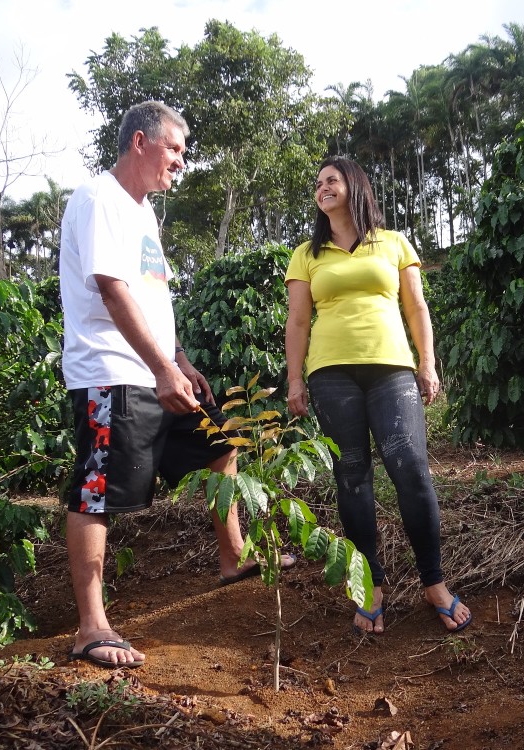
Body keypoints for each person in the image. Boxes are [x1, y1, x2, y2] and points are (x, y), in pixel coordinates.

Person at [59, 100, 293, 669]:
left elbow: (151, 299)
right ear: (140, 142)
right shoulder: (98, 200)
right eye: (175, 150)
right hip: (110, 376)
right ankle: (91, 627)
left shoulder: (144, 214)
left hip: (156, 371)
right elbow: (112, 292)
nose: (181, 164)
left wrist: (180, 359)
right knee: (97, 492)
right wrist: (161, 368)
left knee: (220, 444)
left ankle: (233, 555)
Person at [284, 155, 472, 635]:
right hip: (330, 374)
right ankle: (371, 585)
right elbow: (299, 321)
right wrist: (295, 379)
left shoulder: (393, 242)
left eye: (331, 179)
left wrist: (427, 364)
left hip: (392, 369)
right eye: (317, 183)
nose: (322, 187)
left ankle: (434, 582)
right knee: (352, 475)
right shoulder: (308, 253)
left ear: (354, 185)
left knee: (410, 467)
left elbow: (417, 306)